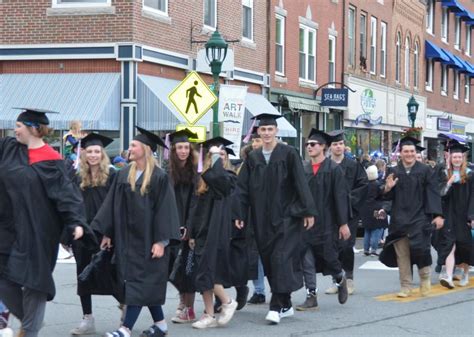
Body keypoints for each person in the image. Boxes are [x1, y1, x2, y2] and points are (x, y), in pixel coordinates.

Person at [0, 108, 88, 337]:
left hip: (39, 231)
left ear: (32, 128)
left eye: (19, 126)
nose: (15, 130)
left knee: (34, 283)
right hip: (7, 227)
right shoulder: (9, 149)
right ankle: (31, 323)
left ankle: (29, 331)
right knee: (3, 280)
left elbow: (68, 196)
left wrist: (75, 222)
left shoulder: (54, 161)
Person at [93, 126, 181, 337]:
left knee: (140, 284)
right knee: (141, 285)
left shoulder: (159, 177)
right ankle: (160, 325)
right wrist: (107, 233)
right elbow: (112, 205)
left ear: (146, 149)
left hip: (150, 241)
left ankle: (125, 329)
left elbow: (166, 210)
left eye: (133, 145)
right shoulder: (124, 174)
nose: (129, 148)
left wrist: (161, 241)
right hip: (127, 241)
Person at [235, 113, 316, 325]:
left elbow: (300, 182)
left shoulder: (288, 153)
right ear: (258, 132)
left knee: (281, 259)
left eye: (270, 129)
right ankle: (286, 302)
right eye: (263, 130)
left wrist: (308, 211)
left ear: (276, 132)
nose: (267, 133)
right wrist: (240, 214)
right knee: (270, 261)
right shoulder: (252, 158)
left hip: (287, 217)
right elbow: (242, 189)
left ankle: (275, 306)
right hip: (261, 220)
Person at [379, 136, 444, 298]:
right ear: (400, 153)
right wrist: (387, 188)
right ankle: (405, 286)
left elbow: (433, 194)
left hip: (419, 218)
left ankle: (425, 279)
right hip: (399, 219)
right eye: (406, 151)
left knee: (421, 250)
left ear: (416, 153)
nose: (409, 154)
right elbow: (386, 196)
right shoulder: (394, 171)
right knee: (402, 255)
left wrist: (437, 215)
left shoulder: (425, 170)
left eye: (412, 151)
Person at [297, 129, 350, 311]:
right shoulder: (303, 169)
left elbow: (341, 197)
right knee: (306, 260)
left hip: (327, 222)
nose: (309, 147)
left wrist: (343, 223)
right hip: (306, 224)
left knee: (330, 257)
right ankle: (311, 296)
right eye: (308, 144)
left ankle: (340, 278)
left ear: (323, 147)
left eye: (313, 144)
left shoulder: (333, 170)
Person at [69, 133, 116, 335]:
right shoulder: (77, 176)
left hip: (105, 234)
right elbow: (70, 205)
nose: (93, 155)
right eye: (89, 151)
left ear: (102, 154)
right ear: (84, 154)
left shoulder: (113, 176)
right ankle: (87, 318)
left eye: (97, 151)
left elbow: (116, 206)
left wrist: (110, 232)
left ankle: (125, 308)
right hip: (83, 234)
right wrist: (68, 232)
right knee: (83, 276)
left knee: (113, 273)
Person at [188, 137, 238, 329]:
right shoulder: (202, 179)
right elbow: (195, 208)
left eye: (222, 155)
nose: (219, 158)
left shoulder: (229, 178)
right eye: (214, 155)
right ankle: (209, 314)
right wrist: (192, 233)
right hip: (202, 231)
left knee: (208, 272)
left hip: (217, 232)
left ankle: (227, 302)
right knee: (202, 274)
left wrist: (216, 155)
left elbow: (220, 180)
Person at [326, 130, 368, 295]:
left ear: (344, 146)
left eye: (340, 144)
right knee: (332, 247)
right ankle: (336, 281)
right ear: (330, 147)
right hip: (330, 213)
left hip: (349, 212)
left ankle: (349, 279)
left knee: (346, 246)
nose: (338, 147)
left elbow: (363, 185)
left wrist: (346, 200)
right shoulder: (326, 165)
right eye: (335, 144)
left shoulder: (353, 165)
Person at [166, 129, 199, 324]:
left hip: (188, 226)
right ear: (173, 149)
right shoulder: (167, 172)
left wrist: (189, 227)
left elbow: (195, 202)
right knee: (174, 269)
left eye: (187, 147)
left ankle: (189, 308)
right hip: (171, 225)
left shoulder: (195, 172)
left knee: (188, 269)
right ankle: (182, 301)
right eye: (180, 147)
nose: (184, 151)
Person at [437, 141, 473, 289]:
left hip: (464, 214)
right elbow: (440, 195)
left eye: (459, 157)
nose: (457, 159)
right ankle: (449, 276)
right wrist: (449, 183)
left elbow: (473, 196)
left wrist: (472, 216)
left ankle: (465, 273)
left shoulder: (470, 174)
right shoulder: (444, 174)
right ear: (450, 158)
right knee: (450, 245)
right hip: (450, 214)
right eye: (454, 157)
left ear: (463, 158)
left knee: (465, 246)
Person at [361, 165, 389, 256]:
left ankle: (366, 249)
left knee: (367, 230)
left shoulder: (364, 185)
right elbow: (382, 194)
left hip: (365, 208)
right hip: (377, 208)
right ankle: (374, 249)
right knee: (377, 228)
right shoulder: (377, 185)